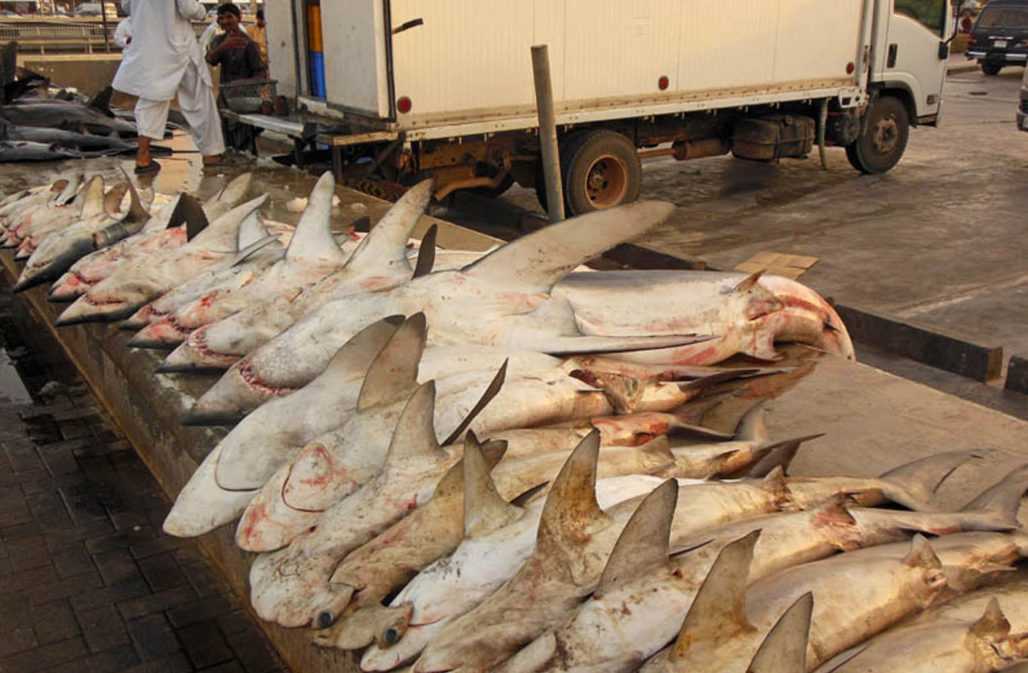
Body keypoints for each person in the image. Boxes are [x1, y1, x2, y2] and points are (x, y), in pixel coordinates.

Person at [113, 0, 225, 175]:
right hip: (178, 45)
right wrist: (202, 11)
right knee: (199, 98)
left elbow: (126, 7)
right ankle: (211, 154)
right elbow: (188, 9)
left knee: (151, 100)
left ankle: (143, 156)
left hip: (150, 47)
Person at [206, 3, 266, 85]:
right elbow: (210, 60)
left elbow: (261, 75)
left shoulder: (248, 43)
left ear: (239, 18)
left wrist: (241, 83)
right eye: (221, 18)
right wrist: (224, 46)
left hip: (246, 95)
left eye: (229, 17)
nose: (225, 21)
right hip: (225, 94)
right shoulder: (219, 39)